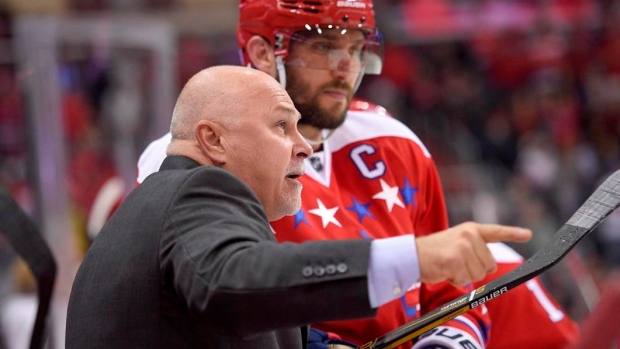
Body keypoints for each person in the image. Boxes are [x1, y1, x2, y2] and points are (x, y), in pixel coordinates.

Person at [134, 1, 577, 348]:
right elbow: (205, 302)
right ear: (263, 53)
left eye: (354, 48)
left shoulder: (394, 141)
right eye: (324, 47)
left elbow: (445, 291)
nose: (346, 67)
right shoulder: (195, 157)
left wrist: (446, 342)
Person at [65, 65, 531, 348]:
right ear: (212, 140)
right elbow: (236, 285)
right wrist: (415, 257)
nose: (303, 146)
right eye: (281, 127)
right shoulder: (196, 192)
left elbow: (220, 319)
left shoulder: (154, 211)